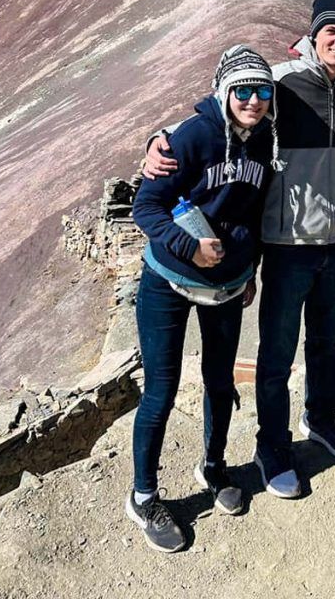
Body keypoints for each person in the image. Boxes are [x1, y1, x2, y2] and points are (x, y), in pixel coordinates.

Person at [145, 0, 335, 500]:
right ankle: (272, 446)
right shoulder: (281, 81)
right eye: (330, 31)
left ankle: (323, 420)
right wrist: (159, 137)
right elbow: (218, 112)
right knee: (278, 350)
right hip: (287, 242)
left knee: (325, 341)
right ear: (314, 33)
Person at [128, 45, 276, 552]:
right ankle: (144, 495)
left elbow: (253, 212)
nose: (253, 101)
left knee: (219, 382)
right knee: (161, 390)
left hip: (228, 287)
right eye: (243, 90)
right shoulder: (190, 137)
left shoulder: (262, 139)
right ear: (224, 90)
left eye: (262, 91)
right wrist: (189, 245)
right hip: (167, 281)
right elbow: (144, 206)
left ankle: (213, 466)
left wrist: (249, 266)